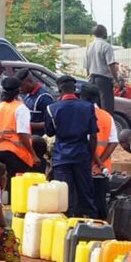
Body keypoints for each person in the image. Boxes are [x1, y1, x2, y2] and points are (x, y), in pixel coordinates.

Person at [46, 75, 99, 218]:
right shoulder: (88, 107)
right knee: (86, 195)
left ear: (59, 89)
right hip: (81, 155)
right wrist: (89, 157)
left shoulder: (52, 108)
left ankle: (66, 230)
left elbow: (50, 132)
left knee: (64, 197)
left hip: (61, 157)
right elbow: (93, 137)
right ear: (75, 89)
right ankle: (92, 225)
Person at [0, 76, 37, 179]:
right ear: (18, 92)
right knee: (16, 189)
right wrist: (34, 155)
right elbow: (22, 134)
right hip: (16, 154)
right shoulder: (21, 108)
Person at [81, 84, 118, 176]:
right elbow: (113, 142)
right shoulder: (107, 116)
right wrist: (100, 163)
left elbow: (89, 142)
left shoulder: (82, 115)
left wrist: (96, 164)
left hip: (87, 166)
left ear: (82, 97)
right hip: (103, 169)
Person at [84, 25, 119, 113]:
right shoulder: (106, 46)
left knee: (94, 109)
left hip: (91, 80)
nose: (107, 33)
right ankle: (105, 126)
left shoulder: (89, 46)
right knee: (106, 109)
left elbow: (86, 66)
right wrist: (116, 80)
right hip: (103, 81)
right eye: (106, 31)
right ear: (103, 33)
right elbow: (111, 65)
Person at [16, 69, 56, 136]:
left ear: (30, 81)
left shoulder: (44, 97)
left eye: (21, 86)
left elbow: (51, 122)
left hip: (39, 139)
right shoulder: (27, 94)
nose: (20, 89)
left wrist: (27, 125)